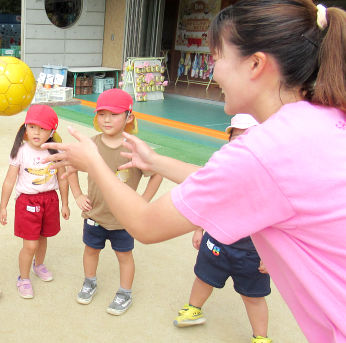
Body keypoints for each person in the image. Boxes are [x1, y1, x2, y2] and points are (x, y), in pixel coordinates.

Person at [42, 1, 346, 342]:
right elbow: (231, 182)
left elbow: (146, 225)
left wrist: (93, 163)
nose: (213, 72)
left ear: (256, 64)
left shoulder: (263, 152)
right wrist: (154, 162)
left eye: (217, 57)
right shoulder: (319, 121)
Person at [173, 114, 273, 343]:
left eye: (248, 137)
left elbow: (276, 222)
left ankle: (261, 337)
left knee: (253, 296)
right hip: (216, 240)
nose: (241, 142)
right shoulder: (220, 167)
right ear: (228, 141)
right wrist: (198, 228)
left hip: (252, 252)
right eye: (236, 137)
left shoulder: (270, 177)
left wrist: (271, 255)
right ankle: (194, 309)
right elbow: (208, 201)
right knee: (203, 278)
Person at [69, 88, 162, 315]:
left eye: (114, 114)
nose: (107, 119)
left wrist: (143, 201)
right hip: (95, 214)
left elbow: (157, 172)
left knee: (124, 255)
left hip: (125, 219)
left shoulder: (135, 147)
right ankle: (89, 281)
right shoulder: (91, 145)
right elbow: (70, 167)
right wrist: (78, 195)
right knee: (91, 250)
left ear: (129, 117)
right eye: (102, 114)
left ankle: (124, 293)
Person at [0, 104, 70, 299]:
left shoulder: (55, 151)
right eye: (32, 127)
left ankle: (39, 265)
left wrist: (65, 203)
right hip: (28, 202)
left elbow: (63, 179)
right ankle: (23, 278)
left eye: (43, 128)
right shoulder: (20, 151)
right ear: (25, 127)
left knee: (43, 238)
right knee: (30, 244)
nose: (36, 132)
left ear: (52, 131)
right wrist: (3, 206)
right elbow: (9, 181)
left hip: (49, 200)